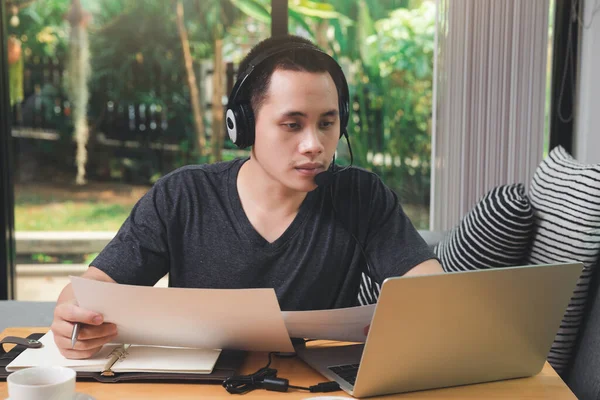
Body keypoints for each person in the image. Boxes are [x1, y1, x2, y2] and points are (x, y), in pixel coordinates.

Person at [51, 34, 443, 359]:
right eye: (292, 124)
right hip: (198, 387)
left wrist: (423, 313)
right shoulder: (183, 196)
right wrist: (74, 318)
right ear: (243, 126)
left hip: (312, 386)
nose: (314, 145)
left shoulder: (362, 195)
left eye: (327, 123)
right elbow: (91, 289)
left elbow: (429, 287)